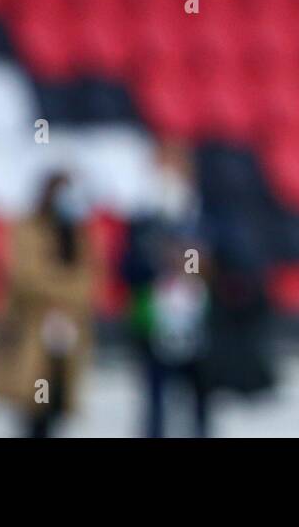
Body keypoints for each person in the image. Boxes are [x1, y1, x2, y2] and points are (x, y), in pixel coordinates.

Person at [0, 172, 96, 437]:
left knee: (56, 407)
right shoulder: (28, 228)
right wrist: (66, 287)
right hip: (32, 334)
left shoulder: (77, 234)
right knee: (32, 411)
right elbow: (26, 278)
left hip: (66, 339)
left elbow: (90, 279)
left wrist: (61, 288)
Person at [122, 139, 213, 437]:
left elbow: (228, 260)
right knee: (155, 399)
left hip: (198, 321)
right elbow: (125, 270)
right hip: (154, 322)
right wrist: (158, 261)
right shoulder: (142, 221)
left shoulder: (204, 215)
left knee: (200, 400)